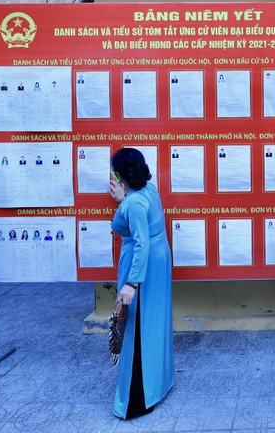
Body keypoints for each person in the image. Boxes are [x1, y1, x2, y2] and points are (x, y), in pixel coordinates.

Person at [109, 148, 174, 419]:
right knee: (155, 321)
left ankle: (138, 399)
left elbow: (140, 243)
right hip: (159, 261)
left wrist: (132, 284)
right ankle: (160, 382)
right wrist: (123, 199)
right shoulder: (148, 190)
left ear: (119, 176)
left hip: (142, 265)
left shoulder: (134, 202)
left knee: (136, 327)